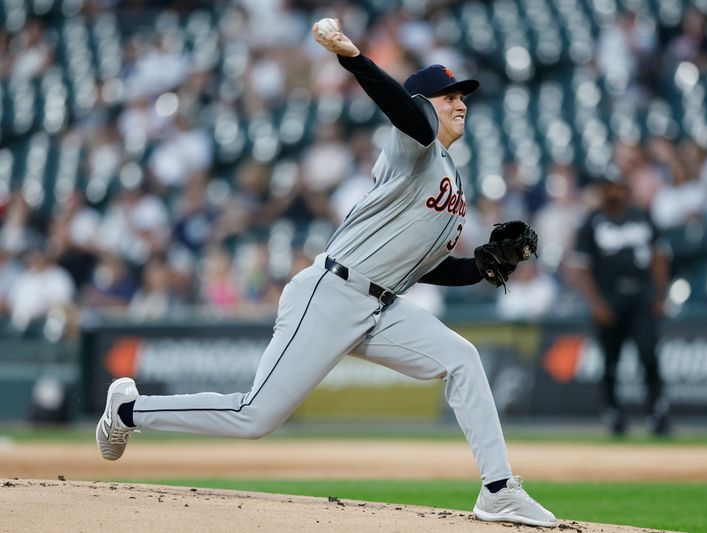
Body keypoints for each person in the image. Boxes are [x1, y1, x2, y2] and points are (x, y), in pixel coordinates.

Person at [95, 19, 557, 528]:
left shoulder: (450, 180)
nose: (459, 102)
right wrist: (353, 57)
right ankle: (127, 411)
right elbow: (409, 115)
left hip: (380, 306)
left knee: (462, 358)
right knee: (255, 417)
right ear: (425, 104)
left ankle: (498, 490)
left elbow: (424, 268)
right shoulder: (414, 145)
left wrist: (483, 268)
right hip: (331, 292)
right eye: (447, 95)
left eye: (461, 94)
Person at [570, 175, 671, 436]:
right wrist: (595, 303)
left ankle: (657, 411)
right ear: (602, 190)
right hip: (609, 300)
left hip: (642, 298)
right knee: (611, 361)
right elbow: (581, 268)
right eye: (608, 187)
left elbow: (659, 256)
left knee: (649, 354)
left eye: (618, 186)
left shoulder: (642, 217)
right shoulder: (591, 223)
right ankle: (613, 412)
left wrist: (660, 294)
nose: (613, 191)